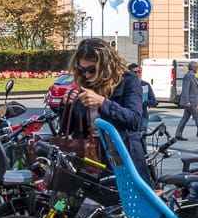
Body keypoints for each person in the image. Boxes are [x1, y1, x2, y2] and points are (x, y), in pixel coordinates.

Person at [63, 38, 153, 184]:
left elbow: (135, 120)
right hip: (89, 156)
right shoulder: (84, 84)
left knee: (120, 203)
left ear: (106, 66)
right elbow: (69, 128)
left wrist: (103, 103)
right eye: (82, 70)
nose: (87, 75)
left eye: (91, 70)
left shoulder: (128, 81)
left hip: (120, 155)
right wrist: (67, 105)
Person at [175, 61, 198, 140]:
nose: (197, 68)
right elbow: (185, 90)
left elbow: (197, 89)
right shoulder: (188, 76)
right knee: (197, 117)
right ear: (193, 68)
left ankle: (178, 134)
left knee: (185, 118)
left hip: (193, 101)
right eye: (196, 67)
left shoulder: (193, 76)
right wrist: (187, 101)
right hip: (190, 102)